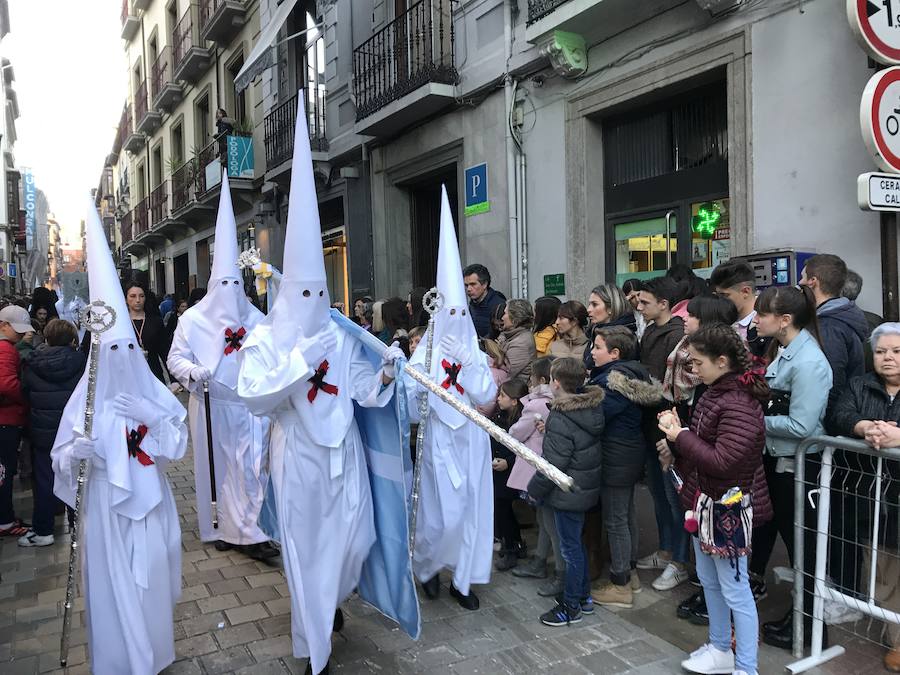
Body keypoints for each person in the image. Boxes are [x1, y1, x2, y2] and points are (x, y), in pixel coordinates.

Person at [237, 105, 418, 674]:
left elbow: (359, 387)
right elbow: (256, 397)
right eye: (305, 296)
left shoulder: (340, 335)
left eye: (323, 295)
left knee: (354, 541)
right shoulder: (267, 341)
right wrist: (297, 360)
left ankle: (331, 601)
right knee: (305, 549)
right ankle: (313, 636)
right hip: (299, 460)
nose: (316, 306)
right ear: (290, 295)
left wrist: (385, 371)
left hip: (345, 456)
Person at [51, 202, 188, 675]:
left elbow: (177, 442)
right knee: (114, 587)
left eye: (130, 346)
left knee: (151, 580)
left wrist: (156, 416)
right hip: (107, 508)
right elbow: (61, 459)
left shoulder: (148, 391)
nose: (125, 355)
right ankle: (121, 661)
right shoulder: (85, 399)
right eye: (115, 349)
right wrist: (77, 453)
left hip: (150, 505)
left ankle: (154, 652)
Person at [167, 175, 277, 562]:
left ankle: (254, 530)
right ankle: (227, 528)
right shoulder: (192, 321)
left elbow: (272, 349)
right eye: (224, 282)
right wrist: (194, 373)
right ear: (215, 283)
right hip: (212, 404)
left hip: (250, 406)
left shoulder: (256, 317)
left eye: (236, 283)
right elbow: (176, 359)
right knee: (223, 469)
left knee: (253, 468)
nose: (230, 290)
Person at [657, 323, 772, 675]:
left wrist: (681, 435)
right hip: (705, 502)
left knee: (736, 590)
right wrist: (680, 438)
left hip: (729, 507)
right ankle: (721, 648)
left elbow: (725, 461)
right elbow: (704, 448)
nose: (692, 370)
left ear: (722, 361)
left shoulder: (737, 402)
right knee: (710, 582)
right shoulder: (715, 392)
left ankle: (747, 666)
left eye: (696, 363)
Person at [405, 189, 497, 613]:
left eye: (464, 315)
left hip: (471, 441)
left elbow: (487, 396)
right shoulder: (422, 352)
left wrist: (470, 363)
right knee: (439, 513)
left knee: (472, 512)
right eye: (451, 315)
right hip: (438, 440)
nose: (458, 323)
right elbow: (407, 403)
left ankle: (464, 578)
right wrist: (418, 389)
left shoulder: (475, 352)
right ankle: (427, 568)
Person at [747, 285, 833, 650]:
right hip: (778, 463)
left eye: (762, 313)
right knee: (787, 538)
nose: (756, 319)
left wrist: (753, 422)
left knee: (804, 548)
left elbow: (801, 426)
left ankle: (813, 625)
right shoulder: (784, 352)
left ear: (784, 320)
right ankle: (800, 616)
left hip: (798, 467)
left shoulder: (810, 362)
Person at [828, 322, 900, 672]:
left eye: (897, 352)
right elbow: (839, 415)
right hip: (873, 494)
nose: (888, 358)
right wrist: (865, 427)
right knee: (883, 566)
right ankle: (898, 640)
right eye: (881, 351)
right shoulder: (859, 385)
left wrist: (897, 436)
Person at [800, 253, 870, 602]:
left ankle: (843, 593)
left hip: (832, 437)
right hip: (839, 434)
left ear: (813, 280)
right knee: (839, 515)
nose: (799, 282)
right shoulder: (847, 319)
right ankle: (842, 589)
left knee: (837, 518)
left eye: (803, 277)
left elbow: (829, 384)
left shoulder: (829, 326)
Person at [588, 326, 661, 609]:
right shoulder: (634, 373)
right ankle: (629, 575)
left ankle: (620, 585)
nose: (592, 352)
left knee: (616, 519)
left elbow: (597, 417)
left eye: (597, 347)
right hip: (629, 452)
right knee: (625, 513)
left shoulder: (612, 382)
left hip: (616, 453)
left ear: (615, 353)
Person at [528, 357, 603, 627]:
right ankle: (583, 597)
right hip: (583, 489)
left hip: (566, 491)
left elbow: (554, 465)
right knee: (576, 545)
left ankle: (571, 606)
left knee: (570, 550)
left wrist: (534, 489)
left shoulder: (561, 416)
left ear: (556, 383)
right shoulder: (590, 409)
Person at [635, 276, 689, 590]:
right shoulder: (653, 330)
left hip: (666, 423)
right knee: (658, 492)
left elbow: (668, 387)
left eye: (645, 303)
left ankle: (679, 559)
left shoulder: (676, 335)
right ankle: (666, 548)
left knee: (673, 495)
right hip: (649, 421)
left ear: (664, 304)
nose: (639, 308)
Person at [17, 319, 86, 547]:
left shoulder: (32, 364)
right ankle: (81, 527)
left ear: (46, 338)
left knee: (45, 480)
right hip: (74, 431)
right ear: (73, 339)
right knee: (78, 478)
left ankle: (44, 530)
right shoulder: (83, 362)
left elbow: (24, 394)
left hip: (44, 432)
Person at [508, 356, 560, 589]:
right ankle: (540, 557)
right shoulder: (554, 401)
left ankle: (556, 570)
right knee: (544, 517)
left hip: (537, 465)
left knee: (548, 520)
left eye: (531, 378)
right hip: (547, 463)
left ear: (541, 380)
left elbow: (517, 432)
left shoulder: (537, 404)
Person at [0, 305, 32, 538]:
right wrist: (26, 397)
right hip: (6, 421)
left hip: (7, 419)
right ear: (4, 326)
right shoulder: (5, 349)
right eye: (17, 329)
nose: (21, 334)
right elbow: (6, 384)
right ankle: (5, 521)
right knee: (4, 472)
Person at [491, 379, 528, 571]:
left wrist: (508, 462)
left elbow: (523, 449)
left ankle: (511, 548)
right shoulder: (498, 416)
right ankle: (516, 542)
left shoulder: (520, 422)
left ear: (514, 401)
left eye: (502, 395)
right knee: (503, 509)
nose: (498, 398)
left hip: (510, 472)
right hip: (497, 469)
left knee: (503, 510)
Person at [710, 260, 767, 357]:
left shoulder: (766, 324)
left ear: (746, 291)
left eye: (724, 295)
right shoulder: (722, 319)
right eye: (717, 296)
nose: (720, 301)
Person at [585, 283, 636, 377]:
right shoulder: (594, 331)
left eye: (594, 304)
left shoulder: (624, 336)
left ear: (611, 308)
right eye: (589, 304)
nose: (588, 309)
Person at [125, 282, 169, 383]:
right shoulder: (121, 323)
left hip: (153, 374)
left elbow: (164, 351)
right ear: (126, 299)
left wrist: (174, 379)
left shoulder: (155, 321)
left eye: (141, 296)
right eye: (133, 296)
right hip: (128, 376)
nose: (137, 300)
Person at [497, 299, 536, 385]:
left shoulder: (521, 343)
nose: (502, 317)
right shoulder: (510, 336)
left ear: (515, 318)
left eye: (505, 313)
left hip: (516, 390)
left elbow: (509, 373)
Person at [464, 263, 507, 338]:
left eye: (473, 284)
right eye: (466, 285)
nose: (469, 289)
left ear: (484, 284)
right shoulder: (472, 304)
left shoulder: (498, 305)